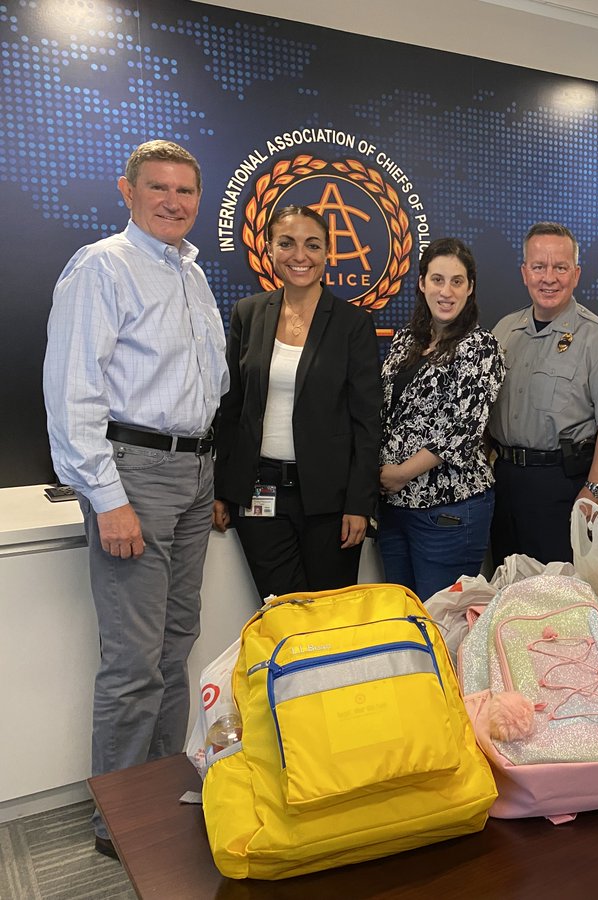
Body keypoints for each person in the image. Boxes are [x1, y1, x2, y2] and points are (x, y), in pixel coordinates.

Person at [43, 140, 229, 858]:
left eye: (186, 190)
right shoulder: (103, 267)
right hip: (134, 474)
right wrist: (106, 495)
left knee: (176, 644)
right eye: (159, 188)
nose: (174, 201)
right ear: (128, 190)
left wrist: (204, 472)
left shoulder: (189, 272)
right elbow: (72, 392)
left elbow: (204, 384)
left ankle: (161, 793)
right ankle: (117, 820)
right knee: (132, 661)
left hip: (191, 474)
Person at [212, 205, 382, 598]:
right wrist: (222, 489)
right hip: (260, 497)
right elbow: (232, 406)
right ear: (269, 248)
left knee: (327, 619)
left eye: (312, 245)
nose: (299, 256)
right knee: (280, 613)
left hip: (331, 503)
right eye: (286, 243)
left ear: (327, 253)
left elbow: (367, 423)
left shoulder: (352, 323)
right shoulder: (249, 312)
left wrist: (360, 504)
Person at [489, 222, 598, 565]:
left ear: (576, 274)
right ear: (525, 273)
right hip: (504, 482)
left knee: (555, 598)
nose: (549, 278)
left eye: (560, 267)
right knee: (505, 588)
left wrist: (595, 490)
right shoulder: (504, 332)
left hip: (561, 485)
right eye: (539, 267)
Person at [377, 238, 505, 599]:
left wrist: (399, 474)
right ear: (421, 283)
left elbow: (461, 431)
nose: (446, 291)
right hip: (395, 506)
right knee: (404, 620)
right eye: (437, 279)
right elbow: (385, 413)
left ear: (470, 288)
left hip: (448, 509)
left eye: (456, 281)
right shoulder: (405, 340)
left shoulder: (480, 347)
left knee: (442, 623)